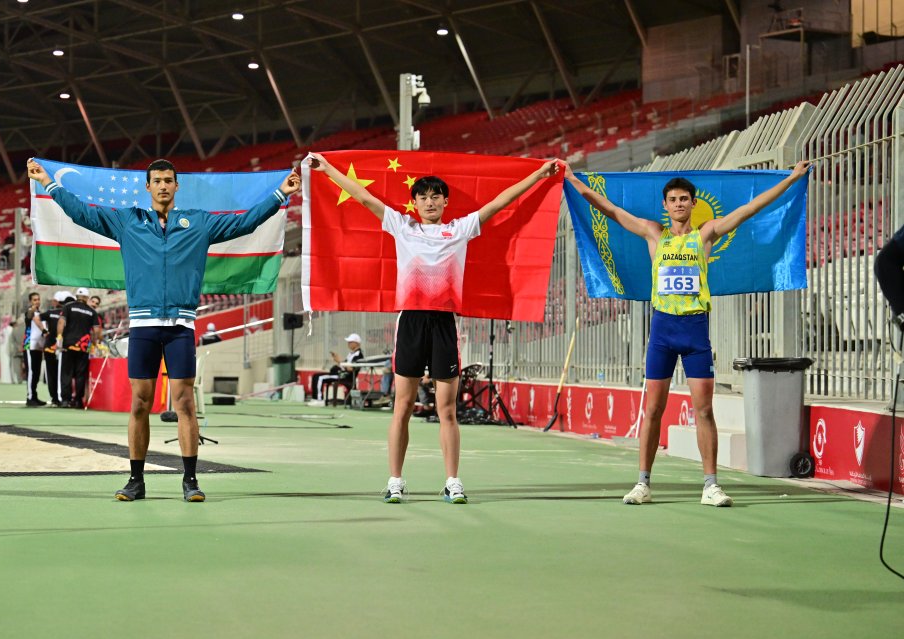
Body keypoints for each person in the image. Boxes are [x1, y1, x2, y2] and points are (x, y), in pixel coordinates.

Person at [28, 157, 301, 502]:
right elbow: (82, 213)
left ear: (176, 185)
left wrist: (280, 193)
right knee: (139, 404)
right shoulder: (128, 221)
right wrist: (48, 182)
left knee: (184, 402)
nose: (162, 186)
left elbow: (244, 222)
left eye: (168, 180)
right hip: (143, 327)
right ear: (148, 186)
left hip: (180, 326)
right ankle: (135, 481)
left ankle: (190, 480)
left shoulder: (199, 222)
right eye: (157, 181)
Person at [308, 152, 561, 504]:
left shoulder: (459, 229)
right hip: (411, 321)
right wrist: (328, 169)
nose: (429, 202)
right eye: (423, 197)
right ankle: (395, 480)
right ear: (414, 203)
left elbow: (500, 202)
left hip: (443, 323)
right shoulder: (402, 226)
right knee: (402, 406)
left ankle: (453, 481)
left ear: (445, 201)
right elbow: (364, 197)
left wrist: (538, 175)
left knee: (447, 410)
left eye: (435, 196)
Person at [564, 160, 811, 507]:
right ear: (665, 206)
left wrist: (792, 179)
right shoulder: (654, 234)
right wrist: (572, 180)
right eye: (673, 199)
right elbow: (611, 210)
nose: (679, 203)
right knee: (653, 409)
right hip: (662, 331)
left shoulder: (705, 235)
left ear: (694, 204)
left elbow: (749, 209)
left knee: (704, 409)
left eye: (684, 199)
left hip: (695, 331)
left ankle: (711, 486)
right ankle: (642, 483)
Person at [57, 287, 102, 409]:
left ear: (76, 296)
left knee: (66, 373)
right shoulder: (92, 312)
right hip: (83, 346)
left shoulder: (68, 307)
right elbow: (96, 331)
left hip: (68, 344)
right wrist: (94, 344)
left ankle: (65, 400)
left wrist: (59, 337)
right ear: (87, 298)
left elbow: (61, 322)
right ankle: (78, 401)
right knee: (80, 374)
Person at [311, 333, 365, 403]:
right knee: (315, 376)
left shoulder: (359, 355)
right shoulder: (351, 354)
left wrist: (339, 361)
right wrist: (338, 360)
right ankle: (314, 398)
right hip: (341, 374)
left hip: (345, 376)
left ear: (356, 343)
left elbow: (351, 369)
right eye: (348, 342)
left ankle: (319, 400)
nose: (348, 344)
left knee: (320, 378)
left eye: (350, 342)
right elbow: (344, 365)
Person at [42, 291, 72, 404]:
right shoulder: (68, 314)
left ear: (57, 302)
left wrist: (44, 331)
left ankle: (55, 398)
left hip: (51, 347)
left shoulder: (50, 313)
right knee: (63, 374)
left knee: (51, 374)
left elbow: (36, 319)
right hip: (63, 347)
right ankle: (63, 398)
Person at [24, 292, 47, 406]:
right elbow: (28, 316)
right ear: (30, 301)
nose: (37, 301)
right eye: (34, 300)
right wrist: (31, 309)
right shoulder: (30, 312)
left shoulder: (40, 314)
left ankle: (34, 395)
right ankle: (30, 397)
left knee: (37, 373)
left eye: (38, 299)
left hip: (38, 347)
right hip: (30, 346)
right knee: (31, 371)